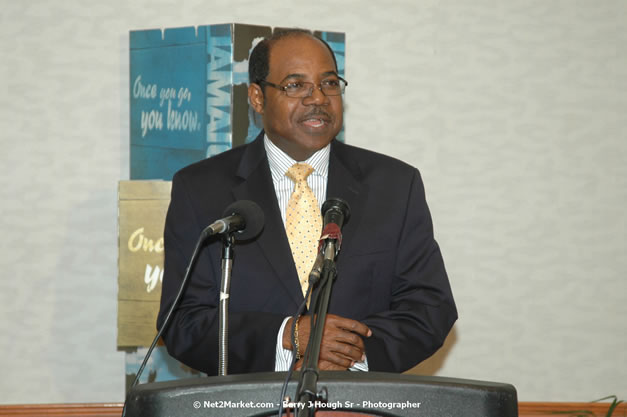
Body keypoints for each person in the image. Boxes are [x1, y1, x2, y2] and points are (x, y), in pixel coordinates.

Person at [157, 29, 457, 376]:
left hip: (359, 405)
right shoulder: (201, 189)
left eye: (329, 83)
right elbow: (183, 322)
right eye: (295, 85)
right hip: (248, 404)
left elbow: (430, 307)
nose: (318, 98)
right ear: (257, 97)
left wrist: (350, 353)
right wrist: (287, 336)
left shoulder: (394, 185)